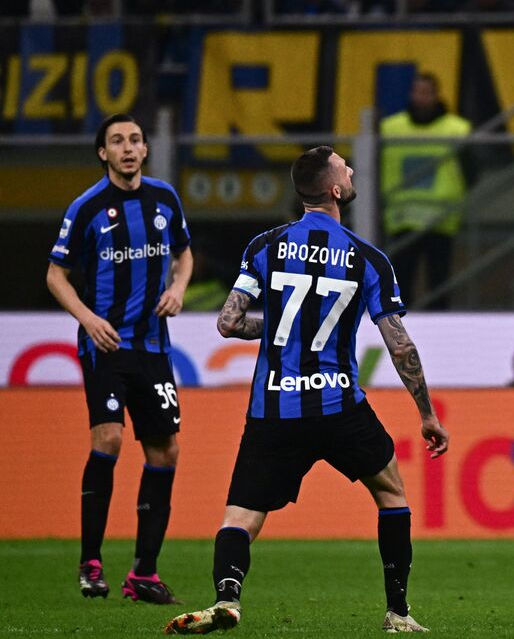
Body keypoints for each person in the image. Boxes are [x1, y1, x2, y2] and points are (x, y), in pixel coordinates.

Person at [164, 146, 449, 635]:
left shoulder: (266, 245)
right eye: (344, 167)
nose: (352, 169)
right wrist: (426, 413)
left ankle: (227, 598)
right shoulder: (367, 258)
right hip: (340, 406)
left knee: (241, 516)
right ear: (335, 190)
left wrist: (279, 326)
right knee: (391, 494)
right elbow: (400, 345)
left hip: (274, 408)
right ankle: (398, 613)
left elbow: (228, 322)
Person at [46, 113, 193, 604]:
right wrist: (88, 319)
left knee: (165, 452)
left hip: (153, 347)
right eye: (117, 141)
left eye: (134, 140)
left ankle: (144, 573)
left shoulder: (165, 199)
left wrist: (178, 288)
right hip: (106, 344)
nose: (127, 148)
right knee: (108, 438)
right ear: (102, 153)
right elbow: (55, 274)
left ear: (145, 149)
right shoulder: (86, 207)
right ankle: (90, 562)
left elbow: (185, 254)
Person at [380, 72, 471, 311]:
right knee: (401, 281)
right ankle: (400, 325)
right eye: (417, 92)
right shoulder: (390, 128)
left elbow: (471, 169)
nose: (421, 98)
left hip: (441, 219)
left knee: (439, 282)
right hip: (401, 219)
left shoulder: (457, 129)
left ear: (436, 95)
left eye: (427, 93)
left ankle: (438, 325)